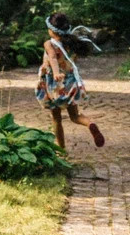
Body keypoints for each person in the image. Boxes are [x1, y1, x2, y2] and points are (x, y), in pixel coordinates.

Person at [36, 12, 105, 149]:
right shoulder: (72, 44)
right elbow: (71, 61)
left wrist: (56, 73)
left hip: (54, 85)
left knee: (56, 118)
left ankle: (61, 150)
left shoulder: (49, 44)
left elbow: (53, 58)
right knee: (75, 116)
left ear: (52, 30)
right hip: (70, 83)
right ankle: (90, 124)